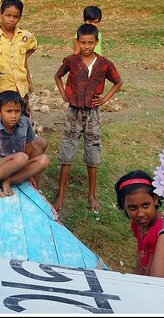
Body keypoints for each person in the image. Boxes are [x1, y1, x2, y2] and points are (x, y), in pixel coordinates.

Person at [53, 23, 123, 212]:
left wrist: (105, 99)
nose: (86, 46)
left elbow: (118, 81)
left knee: (92, 150)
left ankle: (91, 195)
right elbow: (58, 76)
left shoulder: (104, 63)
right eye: (83, 42)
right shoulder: (71, 61)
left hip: (93, 113)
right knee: (68, 149)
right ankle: (60, 194)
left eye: (90, 43)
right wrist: (63, 94)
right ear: (77, 42)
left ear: (96, 42)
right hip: (73, 112)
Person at [0, 0, 38, 120]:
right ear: (1, 14)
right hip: (0, 89)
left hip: (20, 90)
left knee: (24, 124)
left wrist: (22, 59)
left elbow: (32, 47)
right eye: (8, 15)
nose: (11, 20)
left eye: (15, 17)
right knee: (2, 123)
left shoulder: (25, 36)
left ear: (20, 17)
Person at [114, 171, 164, 275]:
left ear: (155, 199)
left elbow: (149, 278)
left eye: (145, 205)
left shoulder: (160, 230)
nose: (140, 214)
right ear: (124, 205)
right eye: (132, 207)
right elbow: (139, 266)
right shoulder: (138, 225)